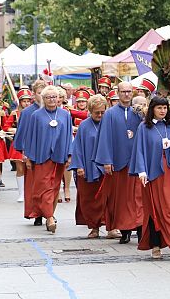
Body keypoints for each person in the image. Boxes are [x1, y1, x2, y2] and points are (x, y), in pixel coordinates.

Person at [129, 96, 170, 261]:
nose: (163, 111)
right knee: (155, 209)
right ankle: (156, 245)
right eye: (159, 108)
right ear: (153, 109)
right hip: (153, 172)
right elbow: (139, 149)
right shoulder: (144, 127)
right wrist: (141, 171)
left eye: (165, 108)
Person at [94, 82, 143, 242]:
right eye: (123, 92)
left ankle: (141, 228)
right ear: (118, 93)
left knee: (138, 197)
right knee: (121, 198)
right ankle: (125, 230)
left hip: (137, 161)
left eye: (129, 91)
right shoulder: (110, 114)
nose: (126, 95)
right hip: (119, 161)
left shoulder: (139, 113)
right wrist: (106, 160)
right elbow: (105, 138)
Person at [26, 85, 73, 233]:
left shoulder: (65, 114)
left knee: (55, 187)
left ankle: (49, 215)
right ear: (43, 99)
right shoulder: (36, 115)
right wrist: (29, 157)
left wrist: (69, 154)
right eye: (48, 97)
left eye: (54, 97)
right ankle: (50, 217)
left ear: (59, 98)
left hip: (59, 155)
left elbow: (68, 136)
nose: (52, 99)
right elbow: (31, 137)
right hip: (41, 156)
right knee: (44, 187)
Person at [69, 94, 107, 239]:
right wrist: (79, 166)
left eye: (102, 112)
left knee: (108, 199)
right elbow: (77, 147)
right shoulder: (84, 125)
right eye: (96, 112)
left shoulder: (108, 123)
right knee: (90, 199)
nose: (99, 115)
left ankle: (111, 227)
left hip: (106, 167)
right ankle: (94, 227)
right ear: (90, 111)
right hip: (88, 167)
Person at [13, 80, 48, 225]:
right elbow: (21, 135)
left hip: (48, 154)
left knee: (47, 186)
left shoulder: (52, 111)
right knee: (33, 185)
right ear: (34, 95)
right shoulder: (28, 112)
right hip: (33, 155)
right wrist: (25, 154)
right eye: (40, 93)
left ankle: (48, 212)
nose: (43, 97)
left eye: (45, 93)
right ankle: (36, 213)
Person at [5, 88, 33, 202]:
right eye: (23, 101)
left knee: (30, 169)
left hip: (31, 144)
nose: (26, 103)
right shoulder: (15, 113)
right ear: (20, 102)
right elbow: (6, 127)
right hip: (19, 143)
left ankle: (30, 192)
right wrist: (16, 130)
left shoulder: (35, 112)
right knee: (20, 169)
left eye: (28, 101)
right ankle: (21, 193)